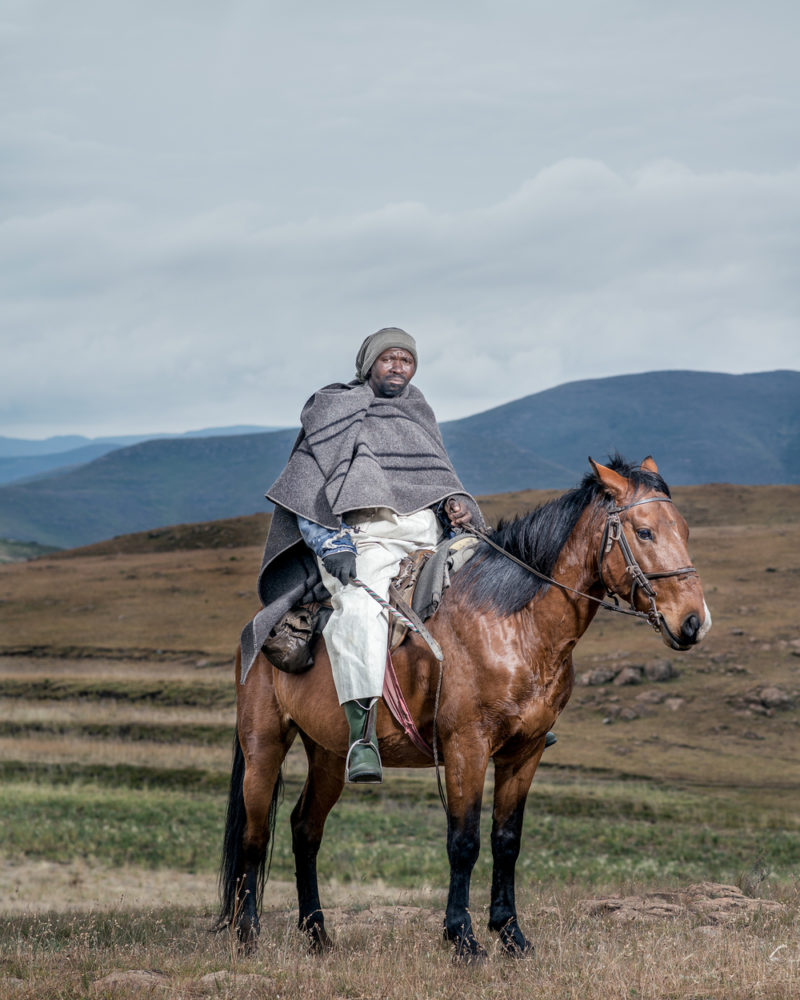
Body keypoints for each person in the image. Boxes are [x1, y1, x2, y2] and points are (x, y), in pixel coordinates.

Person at [241, 328, 484, 783]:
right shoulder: (334, 409)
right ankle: (362, 734)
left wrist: (457, 503)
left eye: (406, 361)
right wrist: (332, 543)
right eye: (389, 359)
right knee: (357, 609)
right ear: (369, 363)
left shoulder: (418, 411)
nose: (398, 368)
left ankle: (503, 709)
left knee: (494, 588)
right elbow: (309, 487)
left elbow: (436, 478)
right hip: (365, 537)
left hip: (429, 536)